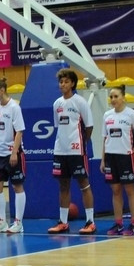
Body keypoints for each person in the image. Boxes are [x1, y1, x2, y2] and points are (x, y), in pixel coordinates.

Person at [47, 68, 96, 235]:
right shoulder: (57, 104)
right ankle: (63, 222)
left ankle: (90, 221)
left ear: (73, 83)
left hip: (77, 150)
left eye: (66, 81)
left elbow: (89, 127)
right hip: (61, 150)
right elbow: (58, 127)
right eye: (61, 82)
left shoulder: (80, 102)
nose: (63, 84)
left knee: (84, 184)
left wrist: (81, 143)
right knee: (63, 185)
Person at [100, 85, 134, 235]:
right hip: (111, 157)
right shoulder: (107, 115)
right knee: (116, 190)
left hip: (126, 156)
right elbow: (105, 138)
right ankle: (118, 224)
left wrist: (127, 146)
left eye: (116, 96)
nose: (113, 99)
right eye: (111, 97)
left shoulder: (132, 115)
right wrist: (103, 160)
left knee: (130, 190)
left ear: (123, 97)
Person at [0, 77, 27, 233]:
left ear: (2, 90)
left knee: (17, 186)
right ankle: (1, 221)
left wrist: (14, 152)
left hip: (13, 153)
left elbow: (19, 131)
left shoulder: (14, 107)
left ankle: (18, 223)